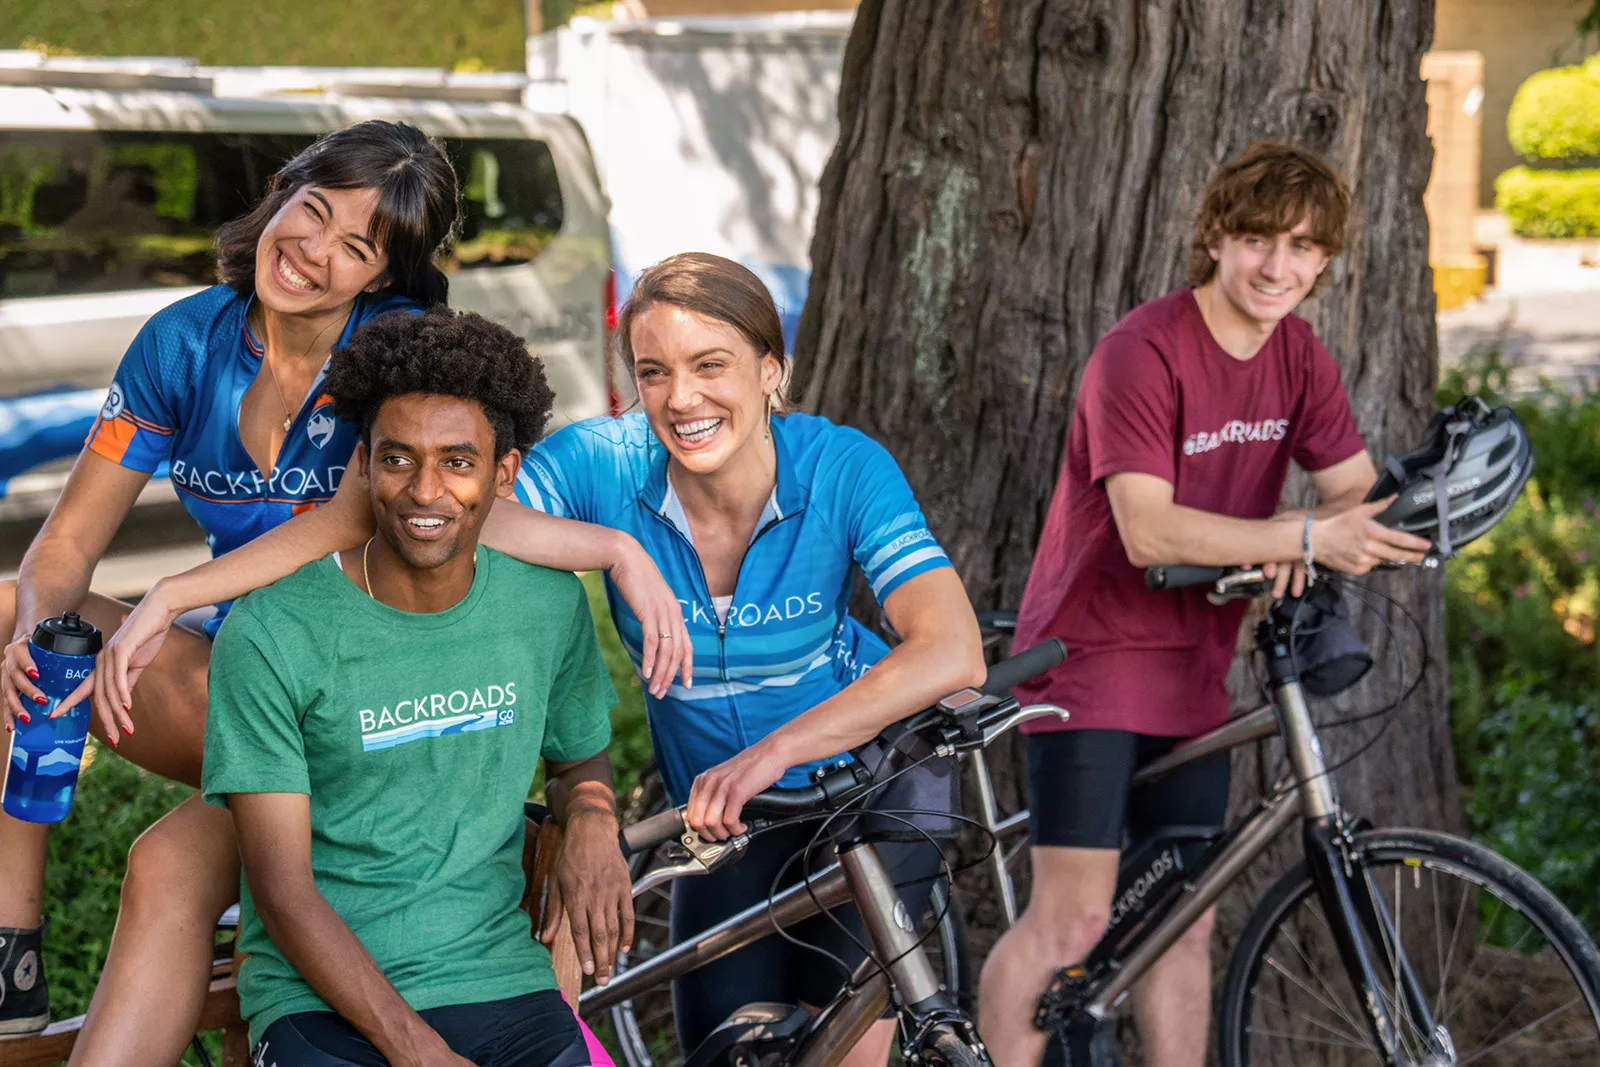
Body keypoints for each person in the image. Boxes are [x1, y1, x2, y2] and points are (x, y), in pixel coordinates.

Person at [91, 252, 988, 1067]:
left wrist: (776, 748)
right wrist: (619, 549)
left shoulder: (841, 465)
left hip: (866, 780)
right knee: (737, 1047)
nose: (681, 399)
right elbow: (422, 506)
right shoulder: (600, 464)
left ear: (770, 369)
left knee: (856, 1046)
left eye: (711, 365)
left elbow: (951, 648)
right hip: (724, 812)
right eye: (652, 372)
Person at [0, 120, 687, 1060]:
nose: (315, 251)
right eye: (312, 212)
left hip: (350, 686)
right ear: (281, 192)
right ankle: (12, 949)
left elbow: (379, 517)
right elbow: (67, 542)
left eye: (356, 245)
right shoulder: (182, 344)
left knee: (173, 858)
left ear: (384, 272)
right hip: (245, 672)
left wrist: (618, 549)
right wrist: (35, 645)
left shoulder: (393, 359)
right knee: (16, 615)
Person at [977, 142, 1434, 1067]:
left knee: (1184, 922)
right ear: (1216, 237)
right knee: (1073, 921)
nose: (1279, 267)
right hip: (1088, 664)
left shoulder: (1299, 354)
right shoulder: (1139, 353)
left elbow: (1354, 496)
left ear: (1325, 263)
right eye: (1261, 239)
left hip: (1196, 668)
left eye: (1304, 248)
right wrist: (1304, 537)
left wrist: (1441, 495)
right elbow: (1147, 531)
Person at [204, 306, 627, 1067]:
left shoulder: (545, 604)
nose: (424, 491)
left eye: (458, 462)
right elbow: (282, 889)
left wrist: (593, 816)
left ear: (504, 473)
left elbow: (578, 758)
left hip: (497, 978)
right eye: (398, 459)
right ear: (363, 464)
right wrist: (417, 1051)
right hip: (317, 999)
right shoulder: (271, 633)